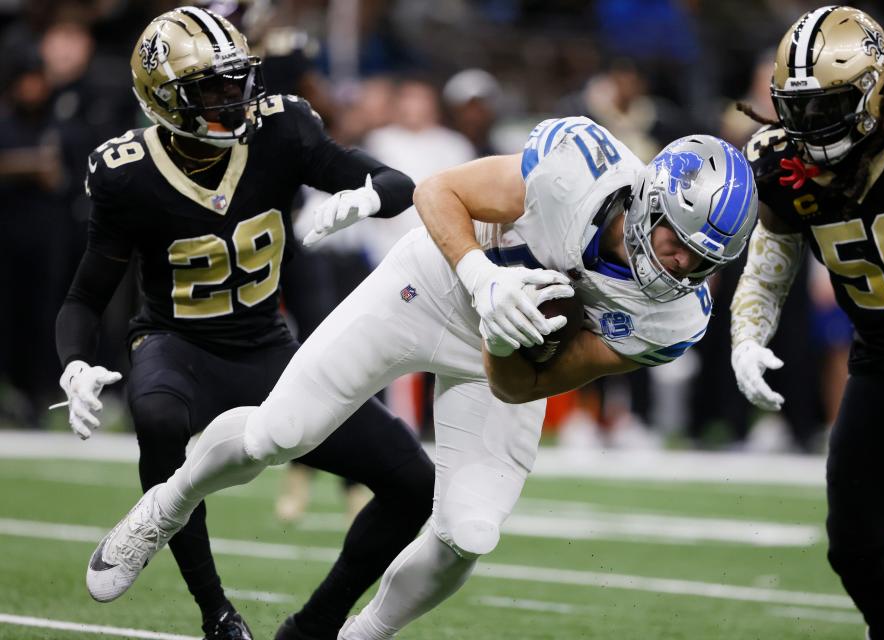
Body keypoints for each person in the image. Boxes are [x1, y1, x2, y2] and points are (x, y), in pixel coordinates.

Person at [85, 111, 758, 637]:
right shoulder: (575, 170)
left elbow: (520, 387)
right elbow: (440, 191)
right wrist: (484, 281)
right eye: (677, 241)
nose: (682, 269)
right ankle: (164, 507)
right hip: (433, 285)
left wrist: (502, 331)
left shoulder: (676, 320)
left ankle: (362, 634)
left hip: (506, 351)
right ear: (649, 201)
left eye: (704, 263)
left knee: (470, 533)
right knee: (276, 436)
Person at [54, 7, 434, 640]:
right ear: (164, 99)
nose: (234, 99)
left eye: (239, 80)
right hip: (178, 346)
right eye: (213, 87)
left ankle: (314, 625)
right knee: (156, 417)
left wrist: (368, 196)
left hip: (269, 349)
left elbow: (395, 180)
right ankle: (217, 614)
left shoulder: (282, 131)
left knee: (413, 481)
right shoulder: (128, 173)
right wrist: (72, 362)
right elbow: (86, 294)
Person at [731, 7, 884, 640]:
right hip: (882, 361)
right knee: (852, 545)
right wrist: (747, 335)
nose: (809, 125)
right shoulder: (780, 164)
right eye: (796, 108)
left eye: (827, 105)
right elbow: (771, 256)